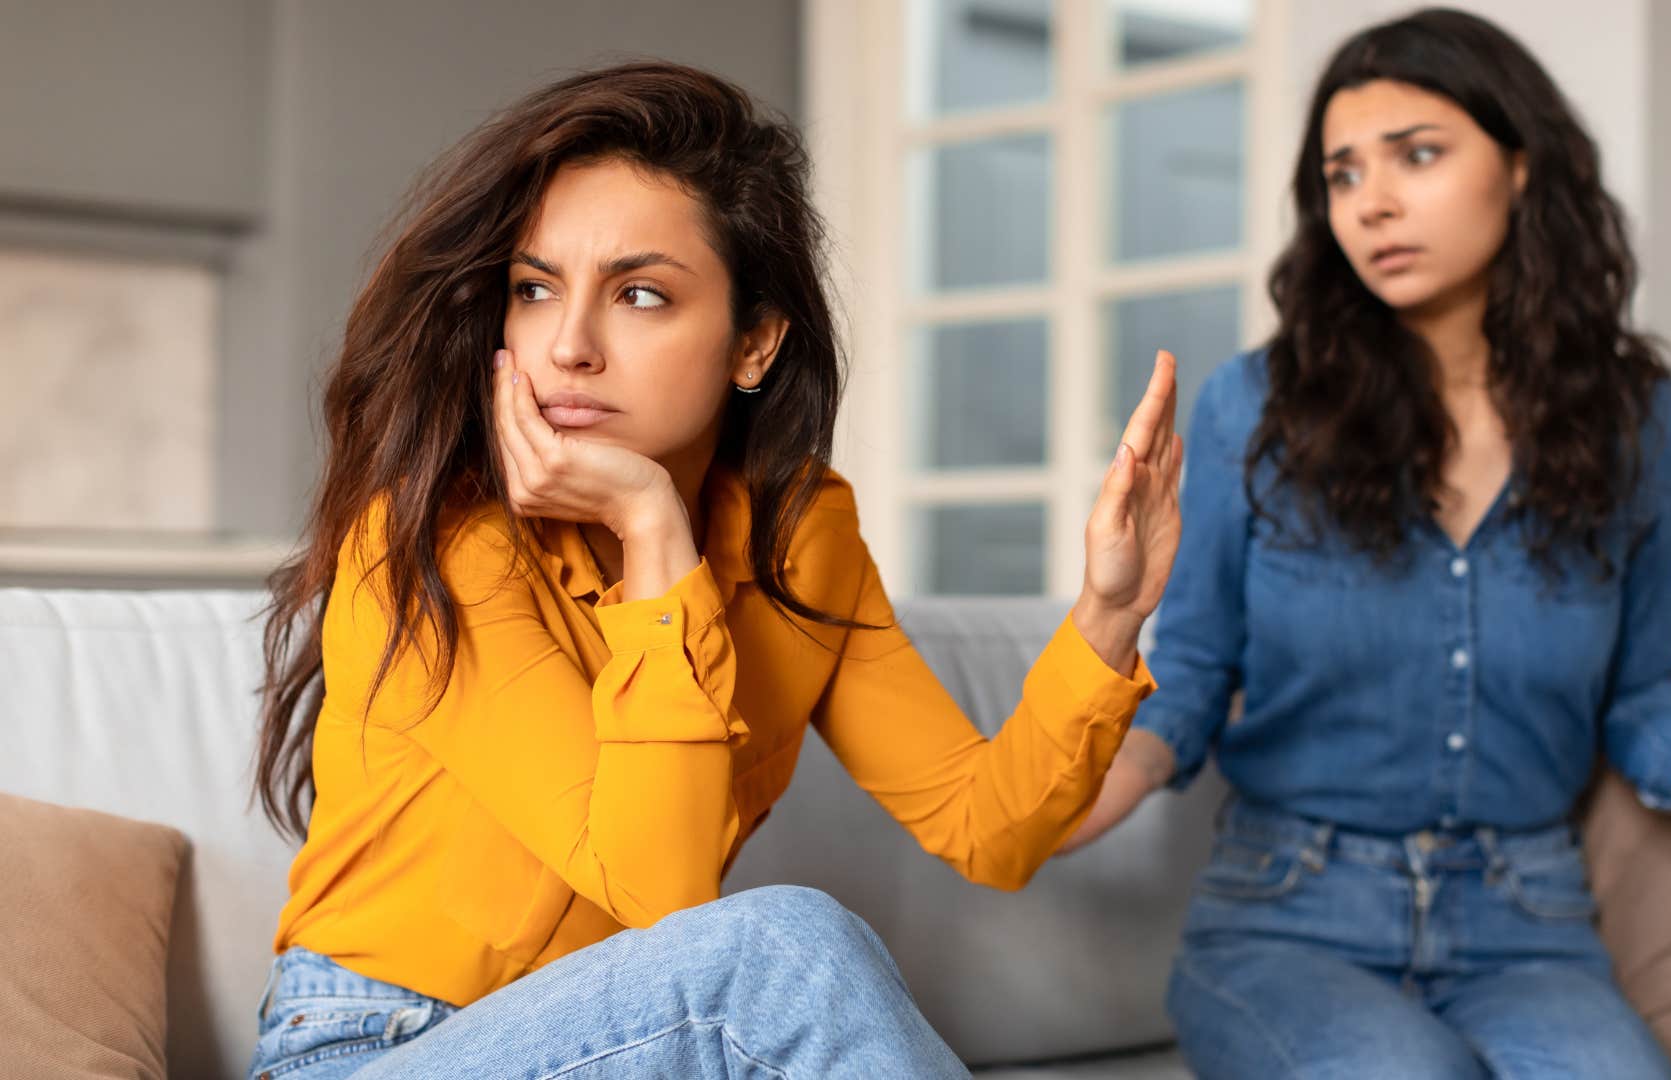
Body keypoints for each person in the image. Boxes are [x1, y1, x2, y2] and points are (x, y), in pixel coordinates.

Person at [246, 60, 1183, 1079]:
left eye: (640, 294)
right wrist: (654, 531)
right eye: (534, 289)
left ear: (755, 343)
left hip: (634, 1050)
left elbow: (986, 827)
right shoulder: (431, 542)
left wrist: (1111, 612)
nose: (569, 344)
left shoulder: (799, 537)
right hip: (369, 1049)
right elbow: (659, 896)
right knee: (779, 950)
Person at [1059, 9, 1671, 1078]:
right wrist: (1055, 801)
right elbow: (1188, 675)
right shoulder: (1257, 407)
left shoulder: (1646, 425)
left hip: (1530, 925)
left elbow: (1639, 690)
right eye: (1341, 175)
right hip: (1287, 920)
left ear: (1520, 167)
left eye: (1418, 155)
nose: (1372, 201)